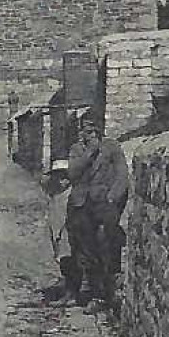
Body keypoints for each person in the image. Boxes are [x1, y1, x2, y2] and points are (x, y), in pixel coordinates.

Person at [65, 117, 130, 310]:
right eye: (85, 130)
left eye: (92, 129)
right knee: (85, 248)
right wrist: (89, 153)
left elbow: (122, 176)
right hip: (81, 205)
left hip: (104, 203)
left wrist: (112, 198)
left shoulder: (111, 147)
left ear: (99, 130)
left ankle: (108, 292)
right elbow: (72, 174)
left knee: (106, 242)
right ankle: (93, 293)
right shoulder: (77, 150)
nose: (88, 133)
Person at [40, 159, 82, 305]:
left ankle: (72, 294)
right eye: (58, 177)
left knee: (70, 262)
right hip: (58, 233)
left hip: (67, 232)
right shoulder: (56, 195)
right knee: (64, 262)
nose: (61, 181)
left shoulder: (72, 194)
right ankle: (67, 291)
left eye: (64, 177)